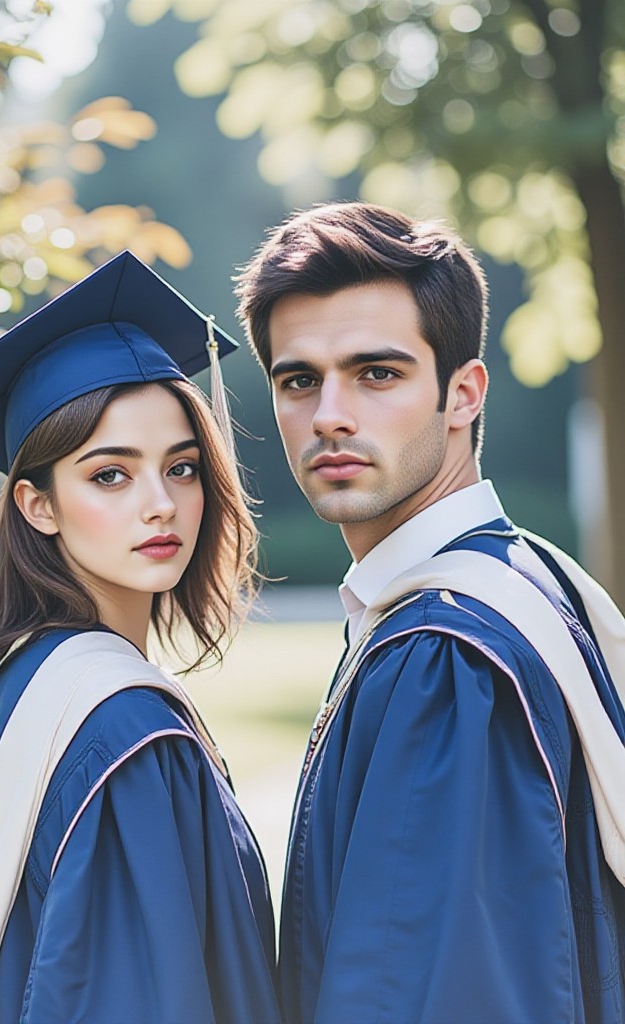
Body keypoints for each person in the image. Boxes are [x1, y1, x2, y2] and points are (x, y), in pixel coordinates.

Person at [236, 201, 625, 1024]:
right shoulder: (529, 575)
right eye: (298, 380)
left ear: (463, 394)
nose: (329, 415)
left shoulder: (446, 657)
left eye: (376, 373)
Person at [0, 251, 281, 1024]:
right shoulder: (121, 728)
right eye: (110, 475)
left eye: (183, 468)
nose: (160, 504)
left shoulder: (11, 691)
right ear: (37, 505)